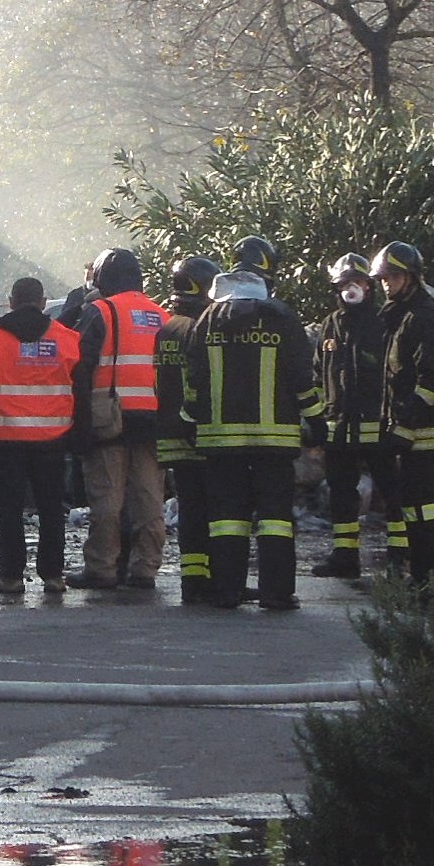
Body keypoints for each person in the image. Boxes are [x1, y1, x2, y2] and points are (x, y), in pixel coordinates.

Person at [179, 260, 321, 612]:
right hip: (275, 441)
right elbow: (302, 377)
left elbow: (193, 378)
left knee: (227, 519)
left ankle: (228, 591)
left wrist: (187, 420)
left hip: (220, 441)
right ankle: (277, 593)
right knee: (275, 519)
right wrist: (317, 421)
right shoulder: (283, 319)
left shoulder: (207, 321)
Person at [67, 248, 171, 593]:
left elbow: (77, 365)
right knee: (149, 500)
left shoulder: (101, 311)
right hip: (154, 421)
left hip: (111, 418)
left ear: (102, 278)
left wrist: (78, 425)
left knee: (107, 501)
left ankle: (102, 569)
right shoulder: (162, 315)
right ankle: (145, 570)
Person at [0, 277, 75, 597]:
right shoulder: (67, 339)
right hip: (53, 437)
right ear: (42, 302)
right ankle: (53, 576)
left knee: (9, 509)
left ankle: (11, 577)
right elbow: (79, 383)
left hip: (7, 437)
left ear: (11, 302)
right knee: (52, 508)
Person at [373, 242, 434, 594]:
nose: (386, 284)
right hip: (413, 431)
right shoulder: (401, 316)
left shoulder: (424, 317)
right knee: (414, 509)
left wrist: (406, 423)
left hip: (430, 432)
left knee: (427, 510)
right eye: (383, 278)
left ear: (410, 277)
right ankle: (423, 578)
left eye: (393, 277)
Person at [309, 253, 395, 579]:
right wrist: (319, 419)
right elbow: (319, 374)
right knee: (341, 496)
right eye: (345, 283)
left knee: (391, 492)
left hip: (377, 427)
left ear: (368, 287)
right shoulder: (330, 325)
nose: (351, 289)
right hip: (338, 429)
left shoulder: (382, 323)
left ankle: (399, 556)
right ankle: (345, 558)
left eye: (357, 282)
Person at [157, 256, 221, 603]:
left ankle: (193, 580)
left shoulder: (167, 327)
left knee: (191, 511)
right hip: (200, 435)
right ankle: (215, 578)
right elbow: (201, 382)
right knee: (213, 511)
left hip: (172, 436)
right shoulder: (203, 326)